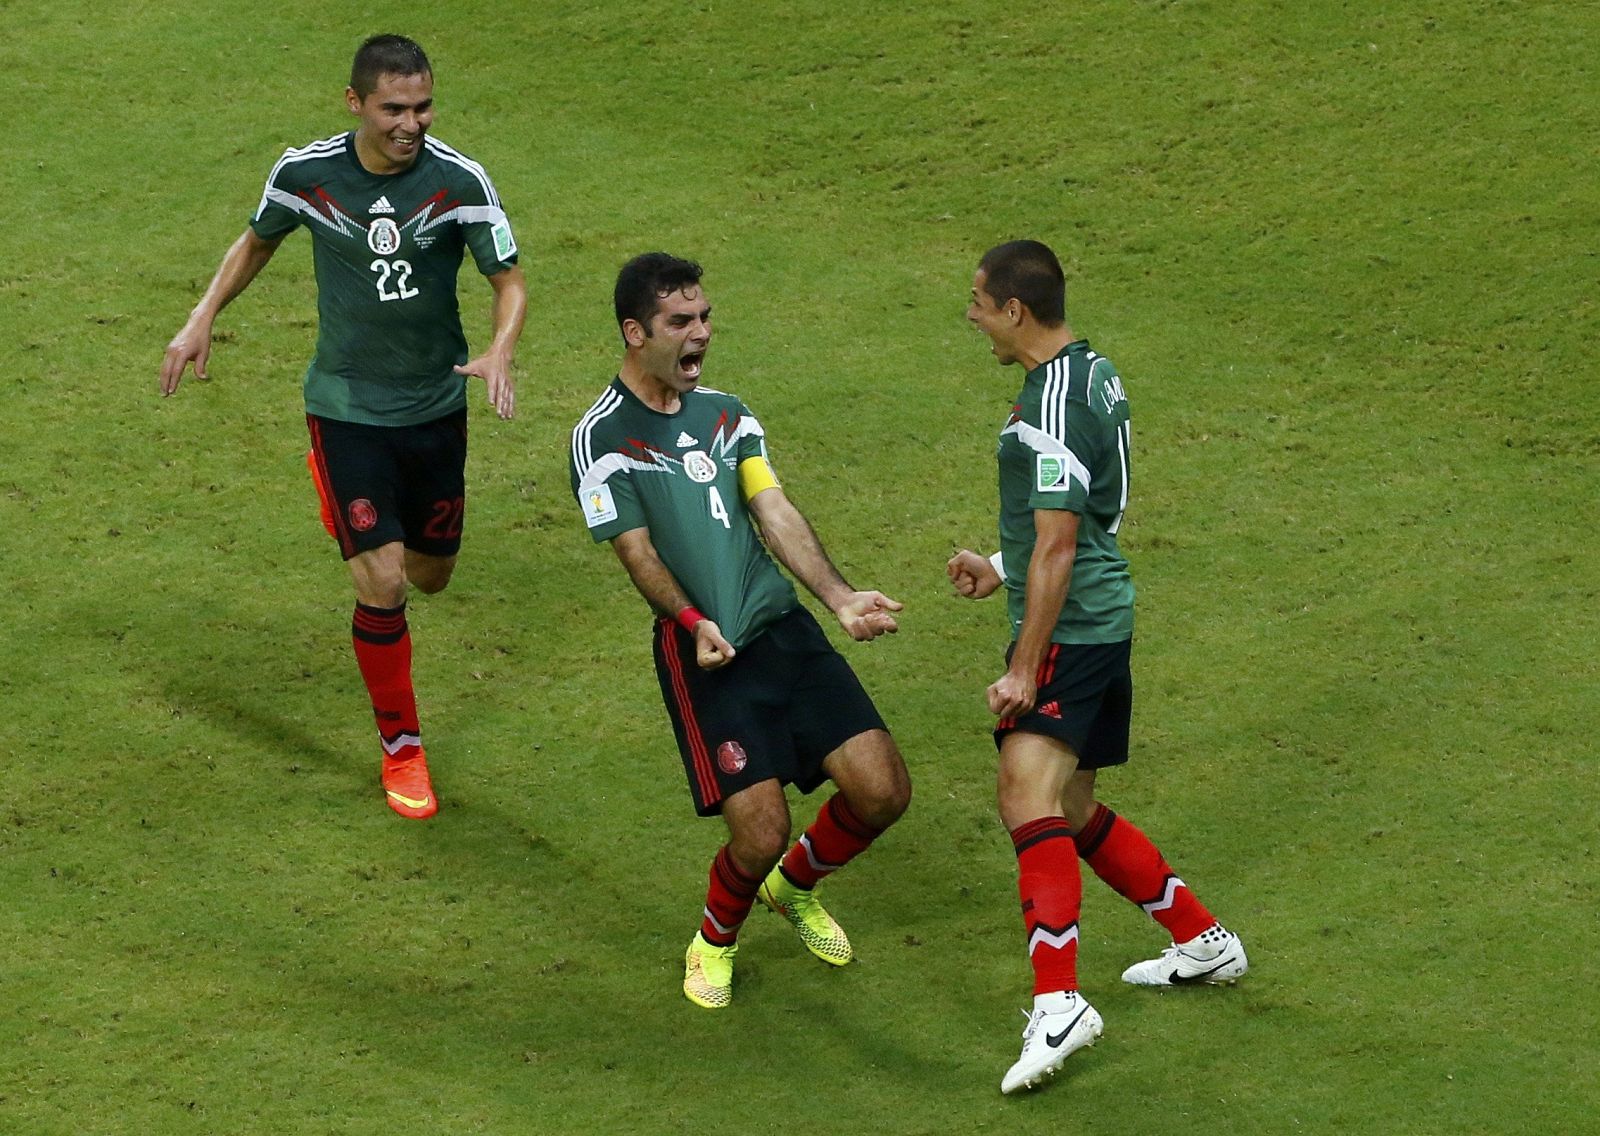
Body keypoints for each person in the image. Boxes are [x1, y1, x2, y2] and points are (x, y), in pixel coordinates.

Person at [159, 35, 527, 820]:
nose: (411, 123)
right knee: (384, 581)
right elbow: (257, 240)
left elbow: (508, 278)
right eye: (394, 108)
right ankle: (403, 749)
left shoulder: (459, 180)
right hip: (346, 409)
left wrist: (500, 347)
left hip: (435, 408)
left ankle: (363, 514)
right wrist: (201, 318)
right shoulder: (306, 173)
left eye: (423, 106)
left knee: (431, 574)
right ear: (355, 102)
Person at [569, 252, 912, 1009]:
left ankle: (794, 887)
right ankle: (713, 941)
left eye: (706, 318)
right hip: (705, 656)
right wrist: (693, 622)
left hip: (782, 631)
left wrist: (840, 597)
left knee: (884, 792)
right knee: (758, 832)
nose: (702, 335)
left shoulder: (727, 413)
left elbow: (773, 509)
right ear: (636, 332)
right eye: (681, 323)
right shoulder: (602, 437)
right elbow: (637, 551)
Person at [948, 240, 1247, 1094]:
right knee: (1071, 804)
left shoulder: (1049, 402)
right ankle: (1203, 941)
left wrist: (1025, 667)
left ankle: (1060, 1004)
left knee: (1026, 796)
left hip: (1071, 628)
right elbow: (1074, 522)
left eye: (978, 301)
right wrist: (1001, 568)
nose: (970, 315)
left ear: (1015, 309)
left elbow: (1061, 541)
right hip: (1098, 614)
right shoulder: (1096, 372)